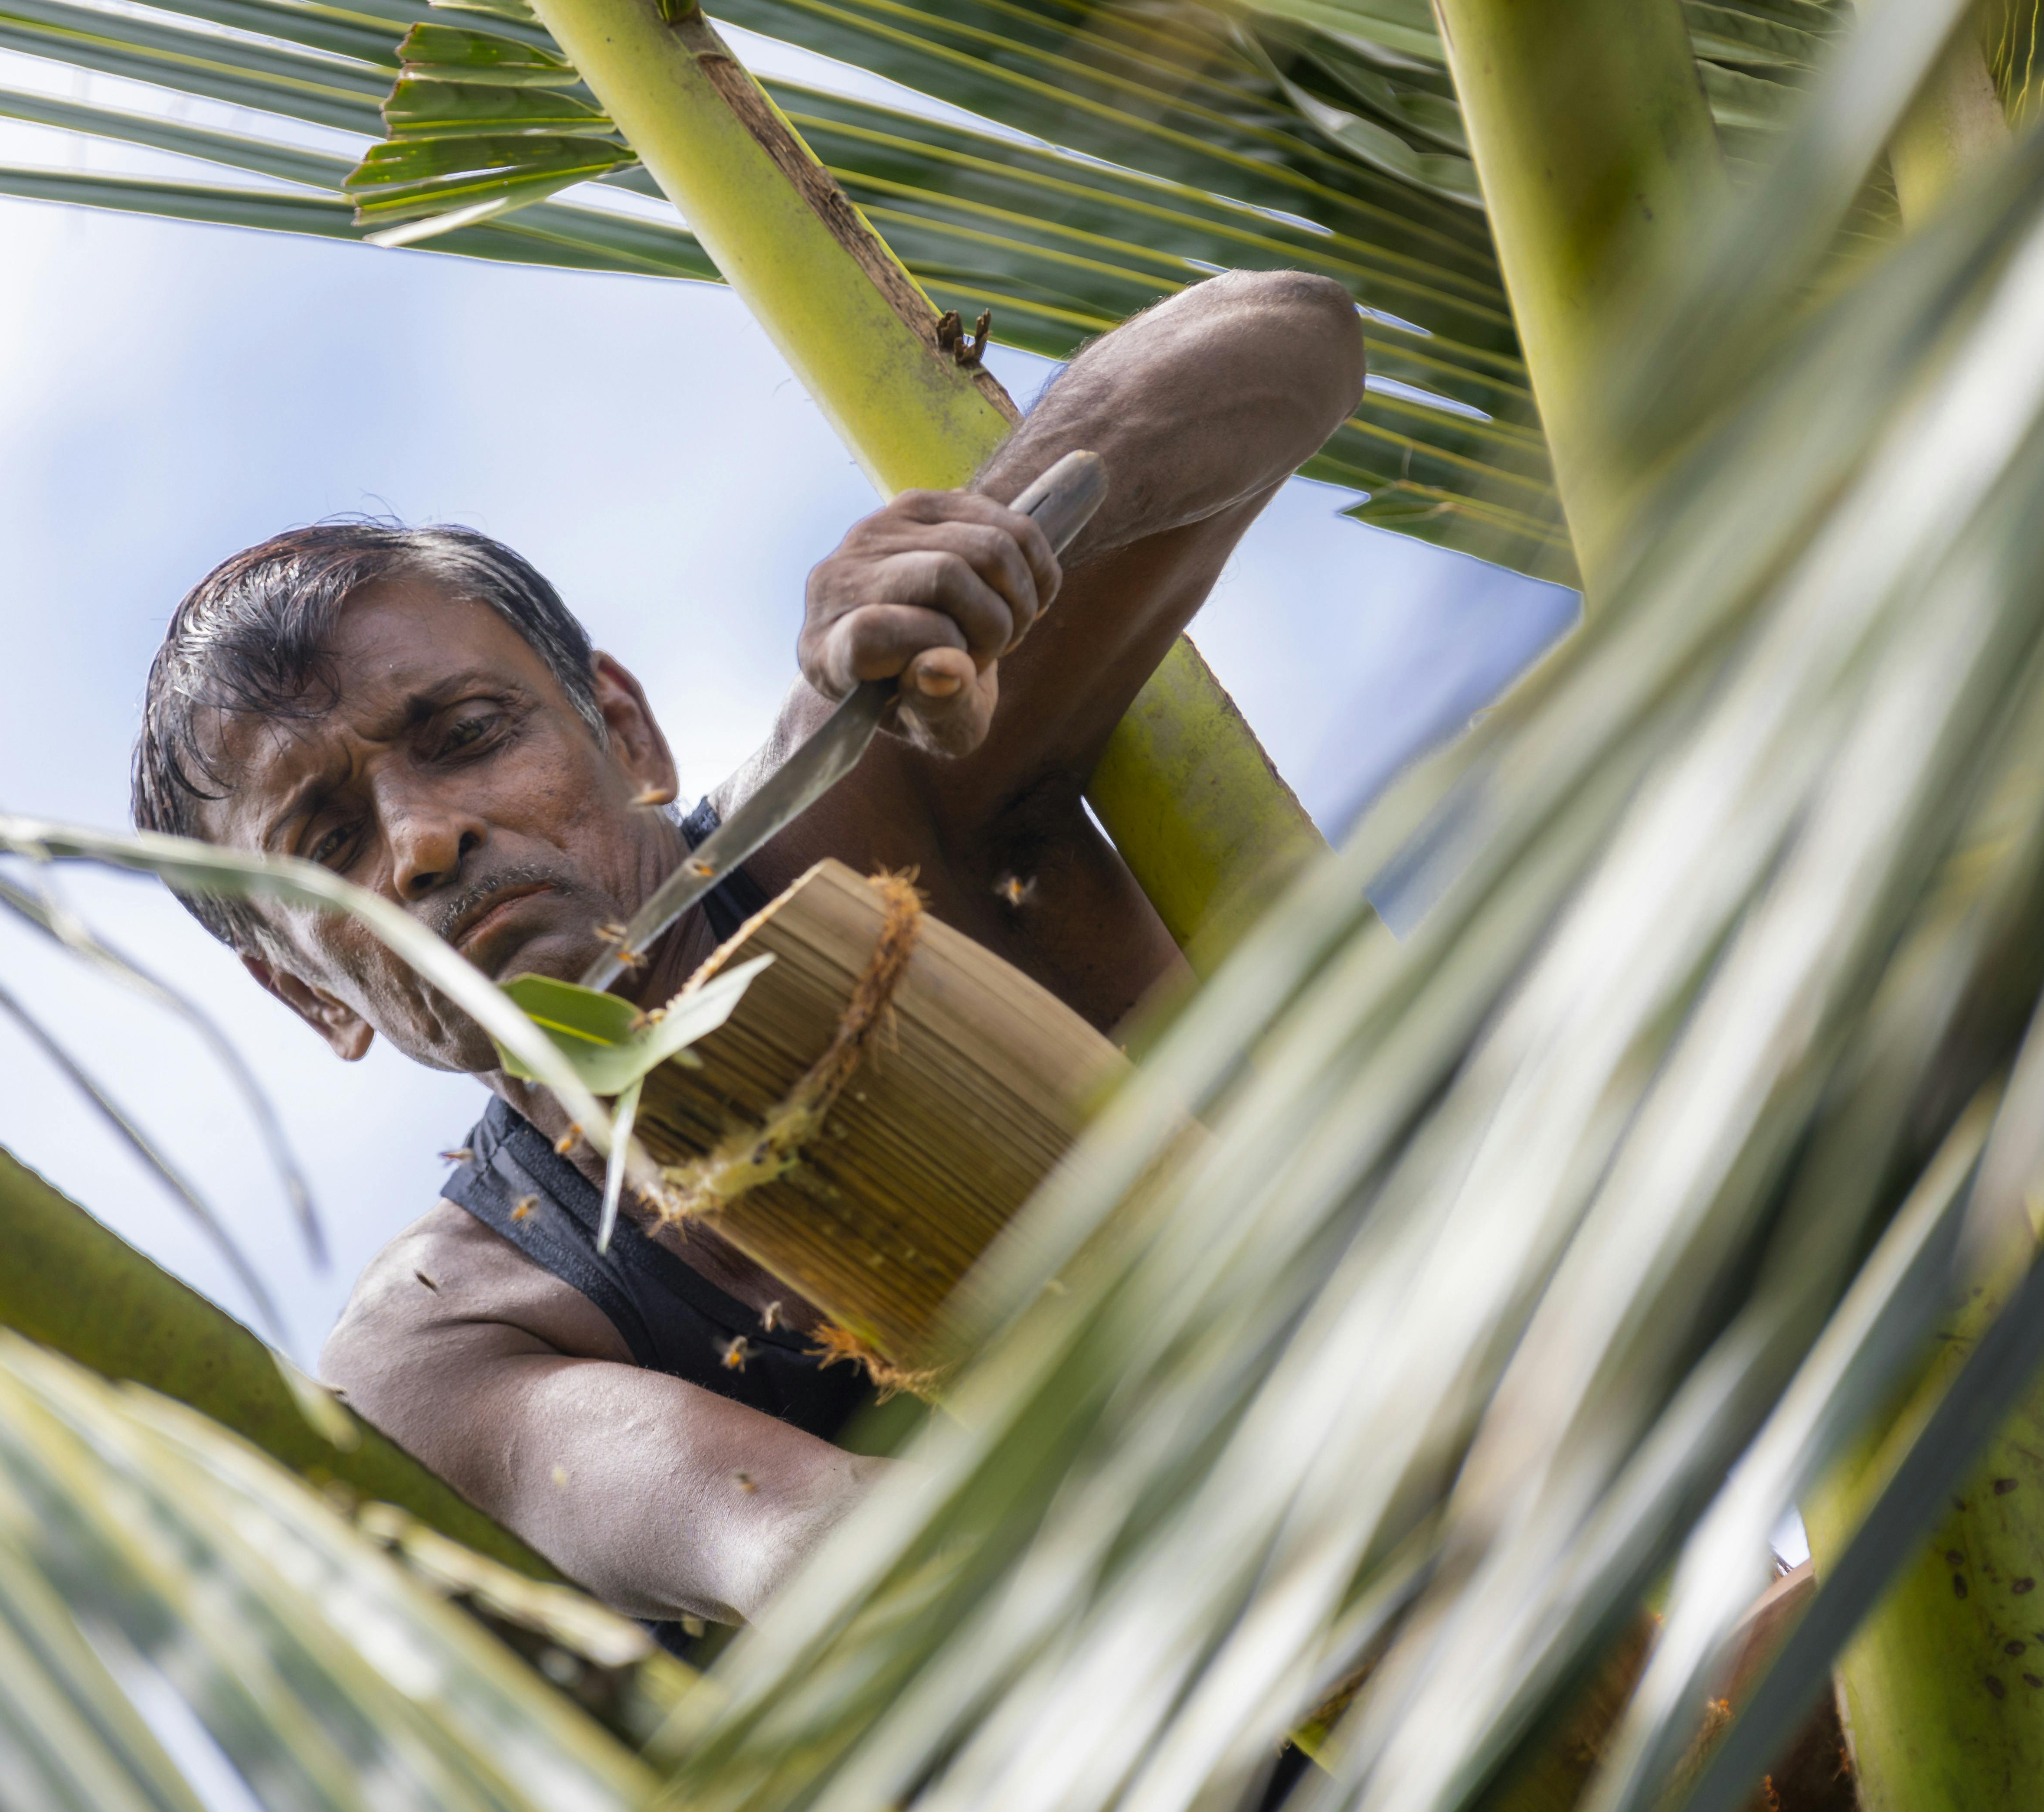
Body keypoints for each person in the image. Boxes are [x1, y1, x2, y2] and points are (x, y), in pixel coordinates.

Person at [131, 271, 1365, 1622]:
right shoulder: (445, 1340)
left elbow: (1289, 340)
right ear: (309, 1000)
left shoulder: (874, 788)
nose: (424, 842)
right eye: (326, 844)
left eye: (469, 737)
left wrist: (984, 540)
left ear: (629, 733)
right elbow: (831, 1567)